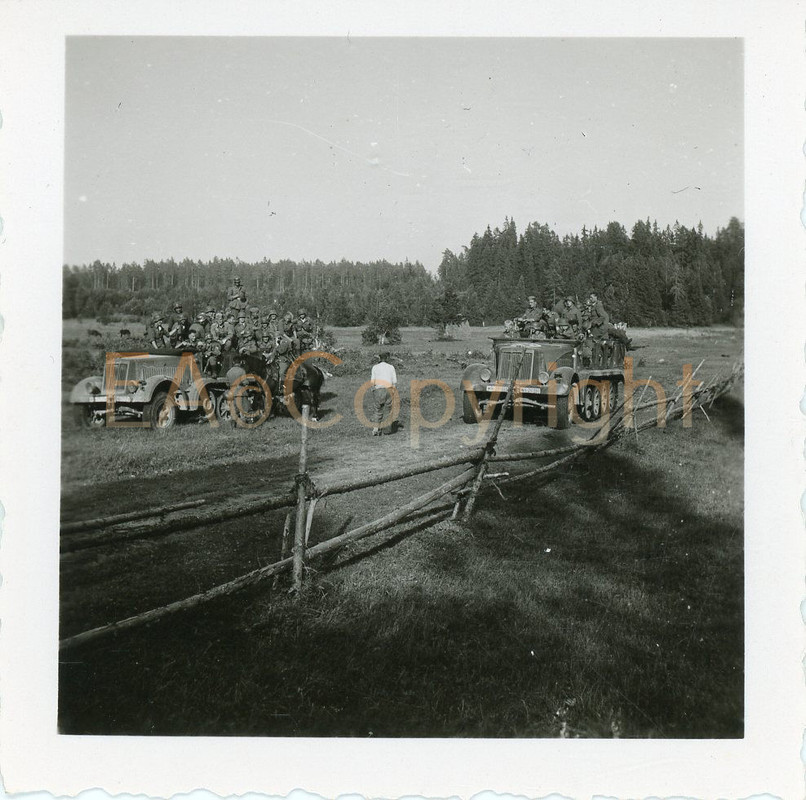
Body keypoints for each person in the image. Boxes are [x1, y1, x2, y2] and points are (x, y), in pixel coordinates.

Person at [370, 351, 397, 436]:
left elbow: (372, 381)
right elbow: (394, 381)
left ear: (379, 358)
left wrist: (373, 390)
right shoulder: (391, 367)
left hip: (378, 389)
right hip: (389, 389)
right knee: (389, 410)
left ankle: (375, 429)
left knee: (378, 409)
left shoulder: (375, 367)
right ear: (387, 358)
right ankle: (387, 430)